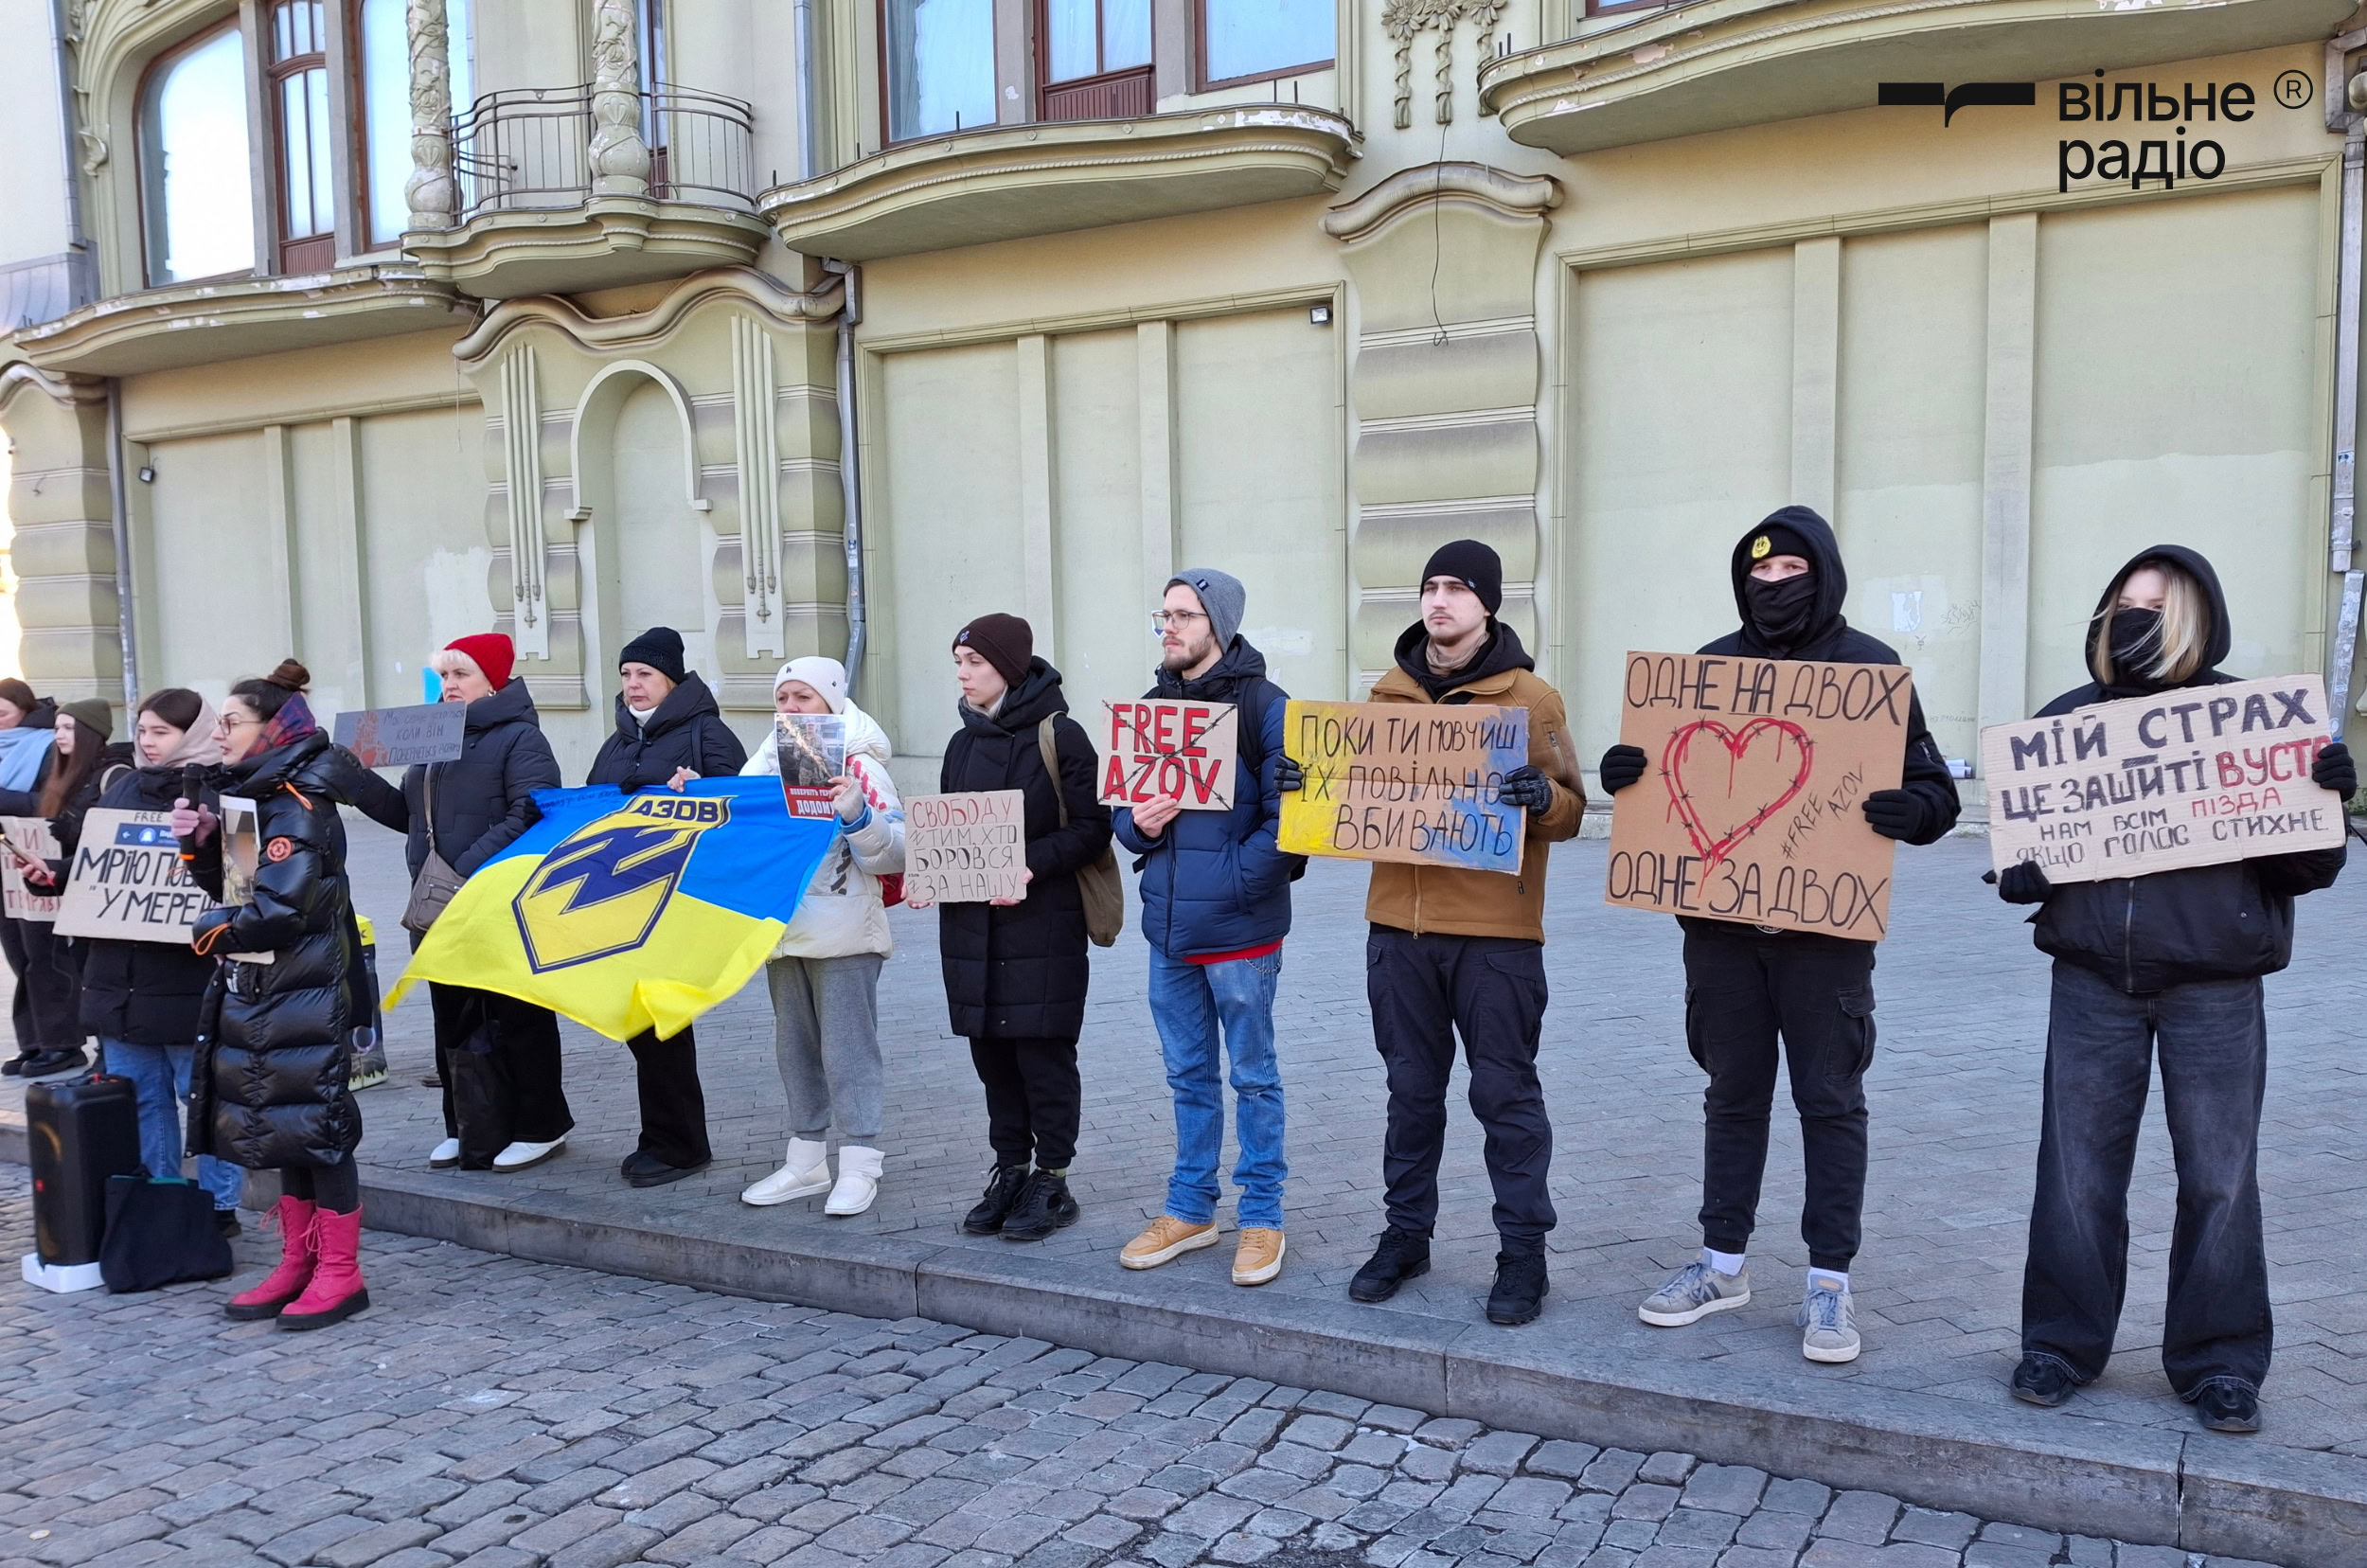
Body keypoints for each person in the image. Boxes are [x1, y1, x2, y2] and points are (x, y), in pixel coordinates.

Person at [1994, 547, 2350, 1434]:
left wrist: (2320, 798)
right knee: (2076, 1176)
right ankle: (2060, 1345)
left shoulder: (2249, 724)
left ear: (2196, 618)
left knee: (2221, 1179)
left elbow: (2311, 865)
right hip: (2091, 982)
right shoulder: (2065, 725)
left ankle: (2221, 1361)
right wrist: (2025, 871)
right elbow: (2023, 864)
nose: (2135, 616)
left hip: (2216, 990)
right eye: (2123, 601)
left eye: (2156, 604)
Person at [1598, 506, 1961, 1365]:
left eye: (1790, 574)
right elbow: (1663, 784)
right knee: (1732, 1098)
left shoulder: (1871, 671)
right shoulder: (1707, 669)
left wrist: (1916, 812)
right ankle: (1722, 1265)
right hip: (1721, 937)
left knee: (1830, 1104)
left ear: (1823, 576)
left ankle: (1829, 1284)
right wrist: (1628, 778)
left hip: (1824, 942)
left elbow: (1937, 792)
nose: (1772, 588)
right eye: (1757, 576)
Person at [1282, 540, 1585, 1327]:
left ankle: (1523, 1254)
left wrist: (1539, 799)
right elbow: (1345, 799)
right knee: (1410, 1095)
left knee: (1505, 1097)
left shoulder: (1532, 701)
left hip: (1495, 937)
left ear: (1488, 603)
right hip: (1399, 934)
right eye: (1430, 588)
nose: (1439, 601)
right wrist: (1301, 785)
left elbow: (1572, 811)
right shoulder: (1383, 701)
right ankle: (1405, 1236)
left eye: (1457, 588)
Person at [172, 660, 377, 1330]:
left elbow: (279, 911)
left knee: (317, 1127)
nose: (220, 733)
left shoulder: (296, 801)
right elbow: (237, 894)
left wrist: (207, 932)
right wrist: (200, 850)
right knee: (284, 1126)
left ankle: (341, 1274)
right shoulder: (252, 798)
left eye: (232, 722)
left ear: (270, 729)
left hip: (311, 987)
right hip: (265, 985)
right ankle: (300, 1261)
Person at [1111, 568, 1296, 1288]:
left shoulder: (1267, 706)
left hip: (1241, 934)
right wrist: (1141, 826)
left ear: (1217, 622)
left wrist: (1232, 886)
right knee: (1187, 1077)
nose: (1169, 627)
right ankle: (1189, 1208)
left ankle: (1262, 1217)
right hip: (1169, 934)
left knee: (1253, 1077)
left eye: (1183, 615)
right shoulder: (1151, 708)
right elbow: (1123, 819)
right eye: (1163, 615)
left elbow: (1291, 827)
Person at [907, 614, 1112, 1243]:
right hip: (972, 929)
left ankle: (1052, 1177)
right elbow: (944, 829)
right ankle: (1009, 1169)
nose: (963, 675)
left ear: (1009, 667)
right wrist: (925, 874)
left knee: (1041, 1053)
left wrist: (1030, 866)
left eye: (974, 662)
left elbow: (1090, 829)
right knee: (992, 1054)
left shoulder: (1062, 736)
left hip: (1040, 924)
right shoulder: (961, 744)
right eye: (959, 664)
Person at [737, 657, 906, 1216]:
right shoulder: (763, 764)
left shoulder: (861, 764)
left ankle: (861, 1164)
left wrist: (858, 813)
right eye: (782, 698)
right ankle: (805, 1161)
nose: (790, 709)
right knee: (796, 1052)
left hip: (843, 932)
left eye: (803, 698)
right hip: (782, 932)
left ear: (831, 703)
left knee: (848, 1053)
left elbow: (899, 850)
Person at [584, 627, 747, 1187]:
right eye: (627, 675)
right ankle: (659, 1135)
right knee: (639, 1023)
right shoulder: (620, 739)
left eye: (644, 675)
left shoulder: (708, 734)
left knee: (662, 1025)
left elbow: (737, 813)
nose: (633, 685)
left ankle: (681, 1143)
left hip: (678, 903)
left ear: (671, 681)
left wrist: (699, 793)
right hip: (618, 899)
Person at [80, 689, 246, 1233]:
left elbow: (240, 882)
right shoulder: (121, 786)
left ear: (191, 734)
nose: (148, 742)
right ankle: (163, 1197)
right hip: (119, 977)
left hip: (189, 975)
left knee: (202, 1099)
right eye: (143, 731)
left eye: (161, 732)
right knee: (143, 1102)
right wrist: (58, 875)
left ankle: (221, 1207)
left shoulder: (224, 790)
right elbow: (98, 866)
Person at [405, 634, 572, 1174]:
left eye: (461, 675)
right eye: (445, 677)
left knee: (518, 1015)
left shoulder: (519, 737)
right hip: (438, 903)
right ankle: (467, 1125)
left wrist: (465, 869)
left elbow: (531, 811)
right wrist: (353, 782)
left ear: (493, 681)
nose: (449, 686)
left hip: (499, 898)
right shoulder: (432, 738)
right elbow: (410, 814)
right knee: (450, 1017)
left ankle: (539, 1127)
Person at [0, 680, 69, 1077]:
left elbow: (47, 802)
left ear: (25, 710)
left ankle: (61, 1041)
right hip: (7, 863)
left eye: (4, 714)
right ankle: (34, 1041)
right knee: (18, 955)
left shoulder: (44, 745)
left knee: (45, 955)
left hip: (40, 860)